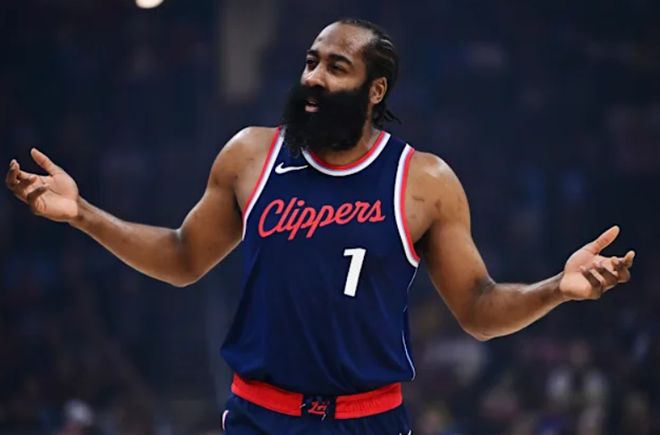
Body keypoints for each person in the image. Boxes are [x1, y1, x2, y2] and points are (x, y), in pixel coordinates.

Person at [5, 18, 634, 434]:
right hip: (260, 415)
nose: (313, 77)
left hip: (369, 419)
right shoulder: (251, 155)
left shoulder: (424, 181)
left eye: (336, 66)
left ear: (375, 90)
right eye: (310, 62)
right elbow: (181, 256)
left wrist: (556, 288)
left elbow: (477, 307)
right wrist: (83, 214)